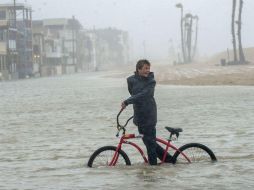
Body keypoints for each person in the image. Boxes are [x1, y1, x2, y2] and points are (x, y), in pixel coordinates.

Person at [121, 59, 172, 165]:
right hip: (139, 116)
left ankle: (152, 170)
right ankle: (170, 160)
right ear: (138, 69)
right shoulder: (130, 80)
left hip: (149, 115)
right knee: (149, 142)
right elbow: (133, 94)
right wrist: (132, 101)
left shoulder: (151, 81)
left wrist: (127, 101)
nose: (147, 71)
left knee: (150, 145)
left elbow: (144, 94)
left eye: (148, 68)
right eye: (145, 68)